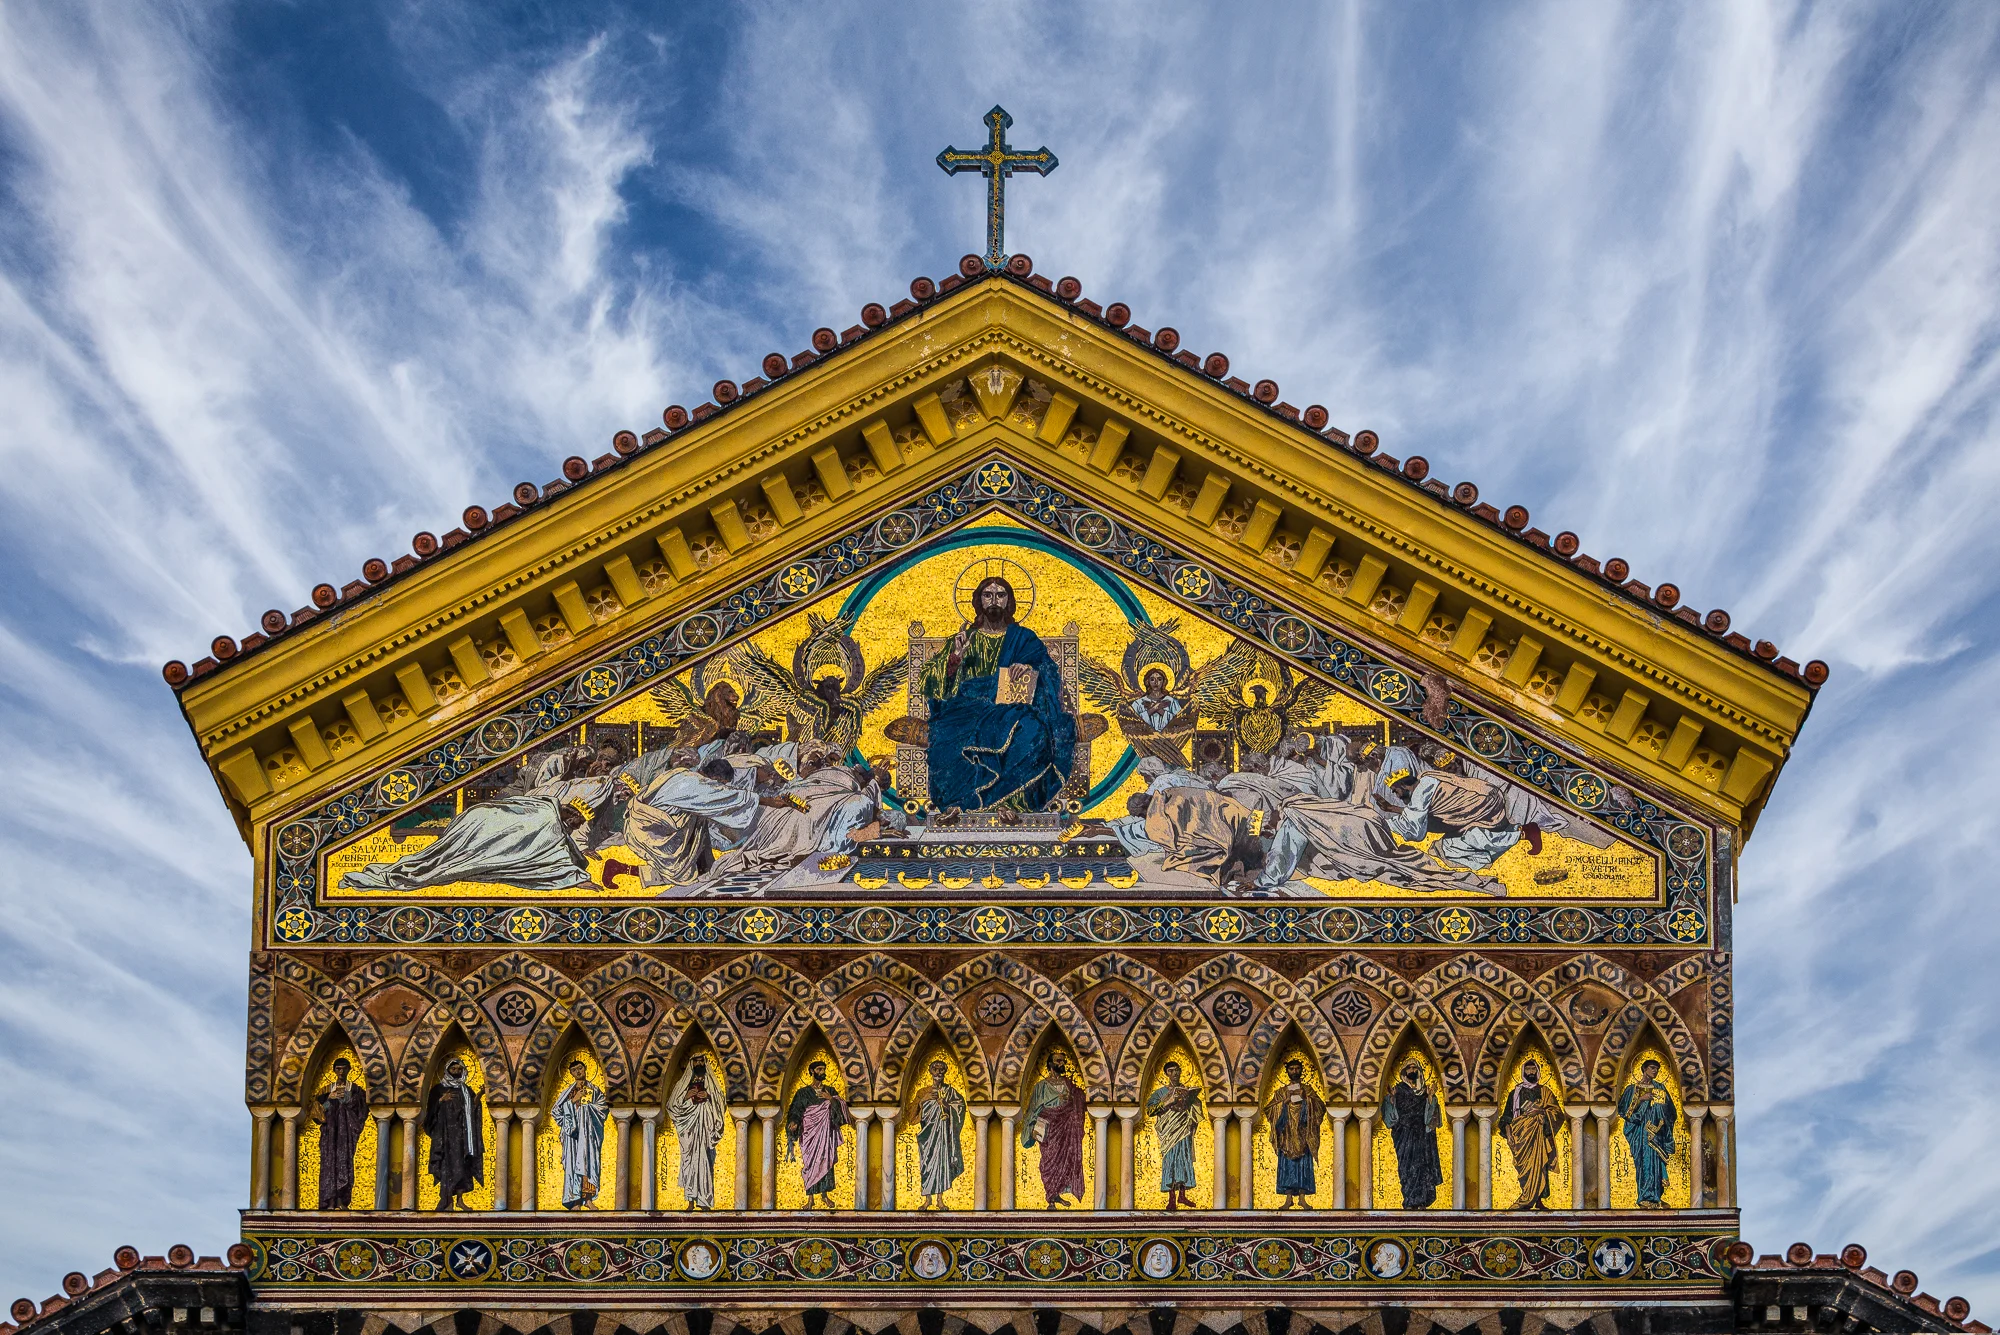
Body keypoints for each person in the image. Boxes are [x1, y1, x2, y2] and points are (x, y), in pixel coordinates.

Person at [339, 752, 614, 892]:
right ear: (569, 813)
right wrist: (579, 878)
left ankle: (411, 869)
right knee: (444, 861)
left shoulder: (550, 809)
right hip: (482, 822)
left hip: (479, 819)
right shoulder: (547, 816)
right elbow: (550, 856)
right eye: (575, 822)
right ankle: (410, 871)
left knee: (440, 859)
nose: (573, 827)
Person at [917, 577, 1077, 814]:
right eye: (987, 595)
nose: (994, 600)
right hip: (967, 709)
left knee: (1032, 729)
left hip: (1011, 710)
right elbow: (929, 683)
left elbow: (1049, 673)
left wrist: (1030, 669)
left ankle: (1010, 803)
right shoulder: (964, 639)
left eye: (1000, 595)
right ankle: (961, 803)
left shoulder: (1024, 638)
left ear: (1009, 601)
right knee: (945, 736)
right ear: (978, 601)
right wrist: (955, 660)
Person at [600, 753, 766, 890]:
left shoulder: (685, 774)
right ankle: (620, 868)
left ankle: (705, 866)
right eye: (721, 784)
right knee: (683, 873)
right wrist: (764, 800)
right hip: (651, 831)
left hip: (648, 822)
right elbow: (729, 798)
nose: (720, 787)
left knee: (698, 820)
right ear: (715, 778)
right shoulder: (694, 784)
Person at [1377, 746, 1542, 871]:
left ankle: (1524, 833)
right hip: (1487, 798)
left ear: (1403, 785)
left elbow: (1414, 829)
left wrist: (1382, 822)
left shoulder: (1421, 791)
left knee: (1459, 844)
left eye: (1396, 791)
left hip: (1484, 806)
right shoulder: (1425, 778)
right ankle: (1520, 833)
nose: (1397, 795)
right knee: (1448, 845)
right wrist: (1392, 808)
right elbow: (1419, 813)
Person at [1019, 1051, 1088, 1206]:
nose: (1062, 1064)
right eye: (1058, 1061)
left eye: (1063, 1061)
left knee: (1066, 1159)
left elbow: (1081, 1099)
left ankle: (1057, 1194)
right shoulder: (1041, 1087)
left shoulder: (1069, 1084)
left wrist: (1073, 1098)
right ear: (1050, 1064)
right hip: (1048, 1127)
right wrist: (1031, 1128)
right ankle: (1051, 1195)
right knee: (1049, 1160)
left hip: (1066, 1128)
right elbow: (1033, 1109)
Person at [1497, 1060, 1563, 1209]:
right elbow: (1506, 1117)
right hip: (1520, 1136)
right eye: (1528, 1069)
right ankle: (1526, 1196)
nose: (1531, 1072)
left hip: (1538, 1135)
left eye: (1534, 1069)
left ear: (1538, 1071)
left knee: (1540, 1166)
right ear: (1523, 1072)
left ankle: (1538, 1201)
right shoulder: (1515, 1093)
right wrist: (1509, 1134)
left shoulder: (1545, 1092)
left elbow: (1557, 1113)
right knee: (1525, 1169)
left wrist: (1540, 1112)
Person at [785, 1061, 852, 1208]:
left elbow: (841, 1109)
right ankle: (810, 1199)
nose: (822, 1072)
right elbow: (795, 1110)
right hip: (809, 1133)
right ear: (812, 1071)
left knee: (826, 1161)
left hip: (826, 1133)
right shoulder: (802, 1093)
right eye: (819, 1069)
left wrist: (831, 1099)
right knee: (810, 1164)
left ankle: (825, 1196)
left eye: (824, 1069)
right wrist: (794, 1122)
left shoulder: (830, 1090)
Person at [1261, 1059, 1326, 1208]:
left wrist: (1306, 1099)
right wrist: (1284, 1102)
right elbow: (1269, 1109)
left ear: (1301, 1070)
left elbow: (1320, 1107)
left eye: (1297, 1068)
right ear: (1287, 1071)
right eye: (1291, 1069)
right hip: (1287, 1135)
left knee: (1303, 1165)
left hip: (1303, 1134)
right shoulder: (1281, 1092)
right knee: (1287, 1166)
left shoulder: (1308, 1090)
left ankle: (1302, 1198)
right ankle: (1288, 1198)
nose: (1295, 1071)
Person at [1615, 1060, 1679, 1207]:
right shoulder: (1632, 1089)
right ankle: (1645, 1196)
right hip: (1641, 1134)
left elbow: (1671, 1112)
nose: (1655, 1071)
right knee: (1645, 1163)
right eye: (1652, 1068)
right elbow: (1624, 1111)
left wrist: (1661, 1112)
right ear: (1644, 1069)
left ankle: (1656, 1197)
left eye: (1657, 1069)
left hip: (1658, 1132)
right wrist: (1640, 1100)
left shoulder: (1661, 1088)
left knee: (1657, 1163)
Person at [1380, 1061, 1444, 1208]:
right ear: (1404, 1072)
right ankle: (1409, 1200)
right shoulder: (1398, 1090)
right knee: (1407, 1168)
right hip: (1404, 1135)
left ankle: (1421, 1201)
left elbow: (1432, 1119)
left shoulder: (1424, 1092)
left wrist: (1430, 1098)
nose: (1412, 1070)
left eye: (1415, 1067)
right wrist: (1391, 1099)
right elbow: (1390, 1118)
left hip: (1422, 1136)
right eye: (1409, 1068)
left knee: (1422, 1166)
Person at [423, 1058, 484, 1210]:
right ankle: (447, 1201)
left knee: (463, 1166)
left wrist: (480, 1094)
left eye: (459, 1069)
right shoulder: (438, 1089)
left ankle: (460, 1200)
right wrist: (441, 1100)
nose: (456, 1072)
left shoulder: (466, 1090)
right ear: (447, 1070)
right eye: (453, 1069)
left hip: (463, 1137)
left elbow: (473, 1106)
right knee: (447, 1166)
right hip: (445, 1137)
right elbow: (430, 1112)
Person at [667, 1057, 727, 1209]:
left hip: (706, 1130)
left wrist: (708, 1096)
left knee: (705, 1163)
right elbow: (672, 1105)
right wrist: (686, 1096)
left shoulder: (711, 1084)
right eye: (696, 1061)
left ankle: (704, 1201)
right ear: (691, 1064)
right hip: (689, 1133)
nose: (699, 1064)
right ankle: (690, 1201)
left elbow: (720, 1102)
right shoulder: (682, 1085)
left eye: (701, 1061)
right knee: (690, 1164)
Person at [551, 1058, 610, 1209]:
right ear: (571, 1073)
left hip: (589, 1134)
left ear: (585, 1069)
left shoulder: (595, 1090)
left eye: (580, 1068)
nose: (578, 1072)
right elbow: (556, 1111)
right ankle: (575, 1200)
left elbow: (603, 1108)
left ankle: (588, 1200)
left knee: (588, 1165)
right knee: (573, 1165)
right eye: (574, 1070)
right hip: (573, 1137)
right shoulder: (567, 1093)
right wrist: (573, 1101)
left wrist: (587, 1108)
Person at [1144, 1062, 1204, 1208]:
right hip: (1168, 1131)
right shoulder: (1160, 1093)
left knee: (1184, 1158)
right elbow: (1150, 1110)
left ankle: (1182, 1196)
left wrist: (1192, 1099)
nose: (1175, 1073)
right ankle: (1171, 1198)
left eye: (1177, 1070)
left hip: (1183, 1129)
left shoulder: (1185, 1089)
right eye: (1171, 1071)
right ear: (1166, 1074)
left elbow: (1195, 1108)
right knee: (1170, 1160)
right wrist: (1169, 1101)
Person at [313, 1058, 369, 1210]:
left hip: (346, 1135)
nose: (341, 1072)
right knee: (329, 1165)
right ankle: (330, 1201)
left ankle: (341, 1201)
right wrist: (329, 1100)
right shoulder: (325, 1091)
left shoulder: (356, 1090)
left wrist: (348, 1099)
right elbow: (316, 1114)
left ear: (349, 1069)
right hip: (330, 1135)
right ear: (334, 1070)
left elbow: (362, 1110)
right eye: (338, 1069)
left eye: (344, 1068)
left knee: (344, 1163)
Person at [914, 1059, 968, 1209]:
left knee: (942, 1164)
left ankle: (940, 1199)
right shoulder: (923, 1092)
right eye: (935, 1069)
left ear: (944, 1072)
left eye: (941, 1070)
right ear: (930, 1072)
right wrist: (922, 1101)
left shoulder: (950, 1092)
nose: (938, 1072)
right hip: (927, 1135)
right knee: (926, 1164)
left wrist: (946, 1105)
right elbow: (912, 1115)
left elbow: (960, 1107)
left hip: (943, 1135)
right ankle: (927, 1199)